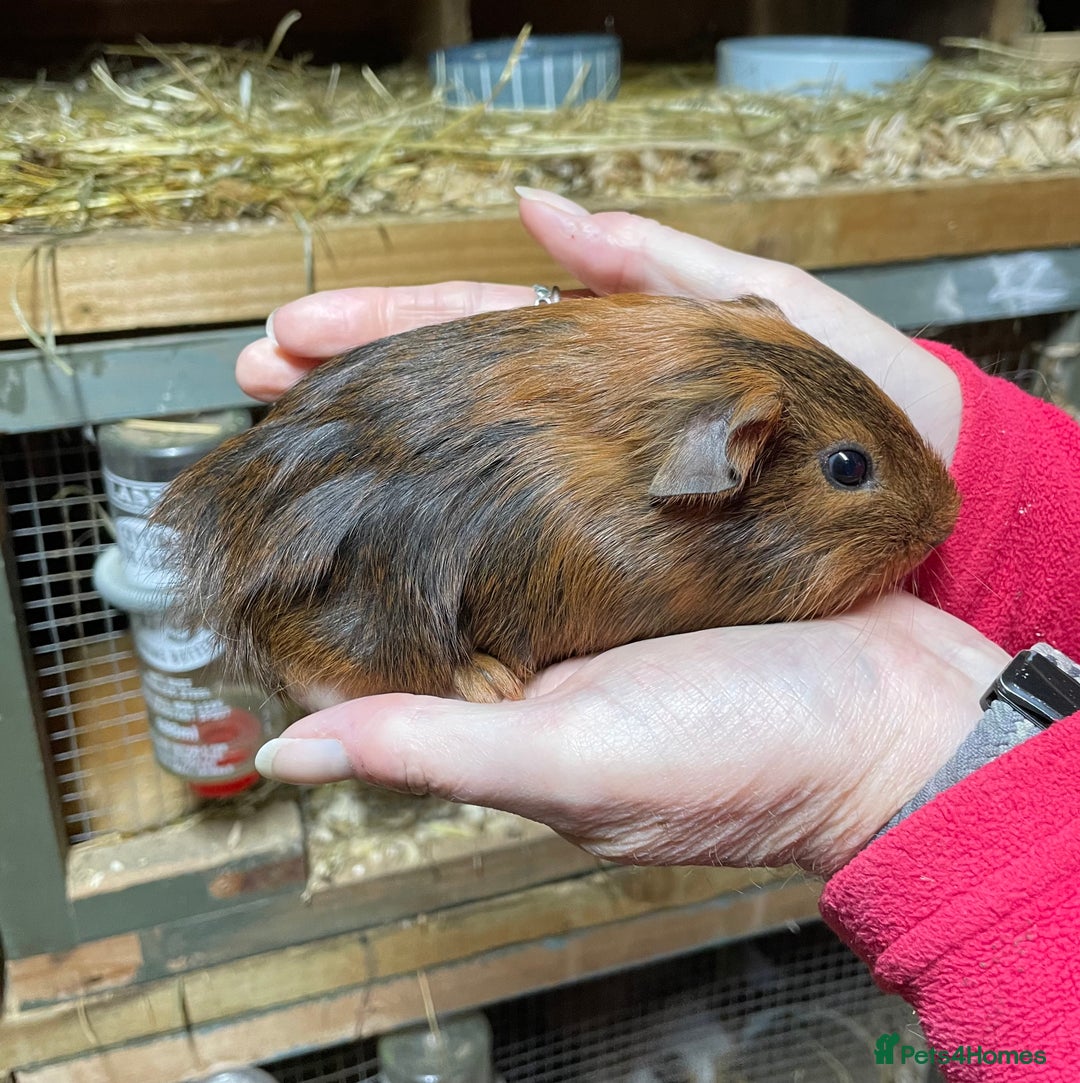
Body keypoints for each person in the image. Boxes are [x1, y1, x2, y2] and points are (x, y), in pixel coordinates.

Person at [243, 188, 1080, 1075]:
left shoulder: (652, 514)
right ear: (726, 464)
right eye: (848, 470)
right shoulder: (612, 535)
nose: (934, 510)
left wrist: (906, 757)